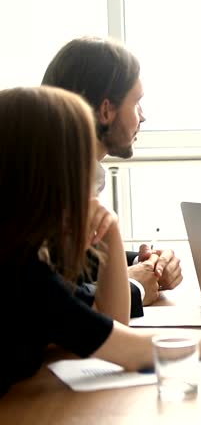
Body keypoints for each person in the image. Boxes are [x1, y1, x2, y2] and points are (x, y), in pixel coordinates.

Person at [0, 86, 201, 396]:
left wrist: (111, 232)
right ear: (45, 175)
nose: (87, 178)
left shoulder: (20, 255)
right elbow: (131, 350)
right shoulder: (23, 275)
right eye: (78, 163)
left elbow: (108, 324)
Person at [42, 36, 182, 314]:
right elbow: (48, 297)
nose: (142, 117)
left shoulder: (67, 173)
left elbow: (70, 262)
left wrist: (143, 266)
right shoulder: (43, 190)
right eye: (137, 103)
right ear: (106, 110)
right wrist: (133, 285)